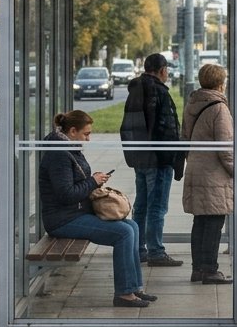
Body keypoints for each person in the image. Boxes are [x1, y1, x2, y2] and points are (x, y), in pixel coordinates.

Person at [39, 110, 155, 308]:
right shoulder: (59, 154)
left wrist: (93, 180)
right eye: (86, 134)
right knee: (124, 233)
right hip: (62, 220)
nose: (89, 138)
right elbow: (65, 194)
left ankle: (134, 287)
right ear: (72, 131)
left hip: (75, 213)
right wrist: (92, 181)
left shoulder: (68, 149)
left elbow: (74, 185)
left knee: (132, 226)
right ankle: (124, 294)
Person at [121, 52, 184, 267]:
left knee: (142, 205)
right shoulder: (159, 92)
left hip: (140, 157)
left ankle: (139, 249)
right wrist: (174, 158)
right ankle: (156, 251)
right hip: (158, 159)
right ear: (162, 70)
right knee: (157, 207)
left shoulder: (135, 90)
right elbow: (168, 129)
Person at [181, 64, 234, 284]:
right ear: (221, 83)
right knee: (213, 222)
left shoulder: (192, 103)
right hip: (214, 174)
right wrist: (236, 170)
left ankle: (198, 269)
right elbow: (226, 146)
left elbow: (184, 137)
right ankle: (210, 270)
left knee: (200, 221)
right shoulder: (219, 108)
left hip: (196, 169)